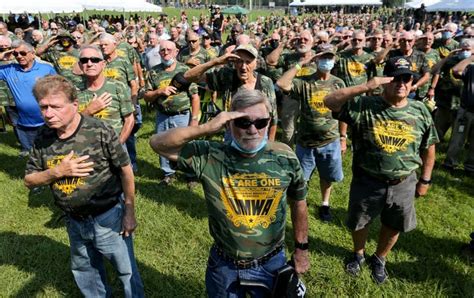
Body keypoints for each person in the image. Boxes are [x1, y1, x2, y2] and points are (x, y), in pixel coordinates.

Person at [149, 89, 309, 296]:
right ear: (229, 123)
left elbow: (299, 202)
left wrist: (301, 249)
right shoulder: (210, 155)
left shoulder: (284, 156)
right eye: (243, 122)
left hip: (271, 263)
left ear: (269, 123)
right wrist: (206, 128)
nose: (252, 130)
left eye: (260, 123)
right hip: (225, 265)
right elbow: (157, 143)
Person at [24, 75, 144, 297]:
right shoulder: (43, 136)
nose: (48, 114)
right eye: (43, 107)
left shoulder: (99, 130)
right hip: (74, 221)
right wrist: (57, 172)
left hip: (108, 217)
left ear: (75, 105)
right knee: (85, 271)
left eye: (55, 107)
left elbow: (126, 170)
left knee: (126, 271)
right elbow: (29, 180)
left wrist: (129, 210)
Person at [324, 56, 438, 284]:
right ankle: (358, 254)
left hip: (403, 182)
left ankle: (380, 258)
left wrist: (425, 180)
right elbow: (330, 102)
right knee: (361, 220)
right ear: (385, 80)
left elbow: (429, 147)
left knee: (394, 223)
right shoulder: (365, 105)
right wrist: (366, 86)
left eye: (407, 79)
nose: (402, 83)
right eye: (395, 78)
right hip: (368, 180)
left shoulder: (420, 110)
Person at [277, 44, 345, 222]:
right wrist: (302, 63)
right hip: (306, 142)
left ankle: (325, 204)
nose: (326, 61)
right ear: (316, 59)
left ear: (334, 60)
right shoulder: (304, 82)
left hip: (330, 140)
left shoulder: (338, 83)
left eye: (329, 58)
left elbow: (343, 112)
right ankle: (300, 204)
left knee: (327, 177)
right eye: (323, 57)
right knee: (301, 178)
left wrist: (344, 137)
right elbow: (282, 83)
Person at [183, 44, 278, 141]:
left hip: (258, 133)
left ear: (256, 64)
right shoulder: (227, 77)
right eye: (240, 61)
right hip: (233, 135)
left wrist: (270, 144)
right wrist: (215, 61)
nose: (243, 67)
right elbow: (188, 76)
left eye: (248, 62)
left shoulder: (265, 82)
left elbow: (273, 117)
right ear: (234, 63)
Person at [144, 40, 200, 186]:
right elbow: (146, 95)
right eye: (162, 50)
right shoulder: (154, 72)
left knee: (186, 144)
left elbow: (195, 96)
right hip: (162, 116)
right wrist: (159, 91)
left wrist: (194, 120)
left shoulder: (185, 71)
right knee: (163, 144)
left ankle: (190, 174)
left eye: (169, 49)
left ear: (176, 52)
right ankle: (168, 173)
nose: (166, 52)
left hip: (182, 115)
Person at [0, 41, 56, 155]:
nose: (19, 56)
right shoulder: (9, 70)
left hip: (46, 120)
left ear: (33, 53)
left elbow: (59, 88)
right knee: (29, 154)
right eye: (16, 54)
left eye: (23, 53)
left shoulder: (46, 69)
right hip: (23, 123)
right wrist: (1, 57)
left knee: (48, 152)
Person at [77, 45, 135, 146]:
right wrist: (88, 111)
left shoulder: (117, 86)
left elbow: (129, 119)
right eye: (84, 60)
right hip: (86, 148)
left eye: (95, 60)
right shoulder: (74, 91)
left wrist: (118, 145)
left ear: (103, 64)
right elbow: (70, 123)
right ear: (80, 65)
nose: (89, 64)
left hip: (115, 146)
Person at [442, 42, 474, 174]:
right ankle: (450, 163)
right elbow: (455, 71)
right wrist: (470, 58)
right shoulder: (471, 68)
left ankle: (471, 167)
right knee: (458, 139)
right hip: (467, 110)